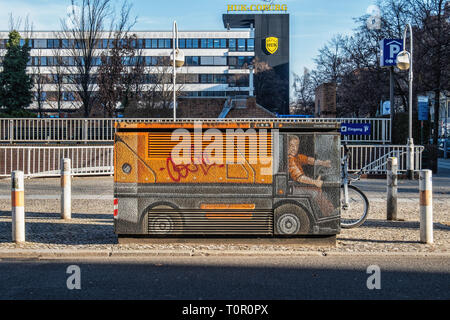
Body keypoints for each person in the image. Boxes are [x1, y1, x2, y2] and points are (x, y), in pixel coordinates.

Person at [288, 135, 335, 216]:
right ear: (286, 146)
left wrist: (322, 163)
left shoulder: (296, 157)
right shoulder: (289, 159)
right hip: (292, 188)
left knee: (317, 190)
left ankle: (327, 210)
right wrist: (314, 182)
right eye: (291, 146)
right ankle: (328, 213)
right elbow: (299, 178)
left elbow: (308, 160)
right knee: (315, 191)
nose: (294, 148)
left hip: (295, 186)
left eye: (296, 146)